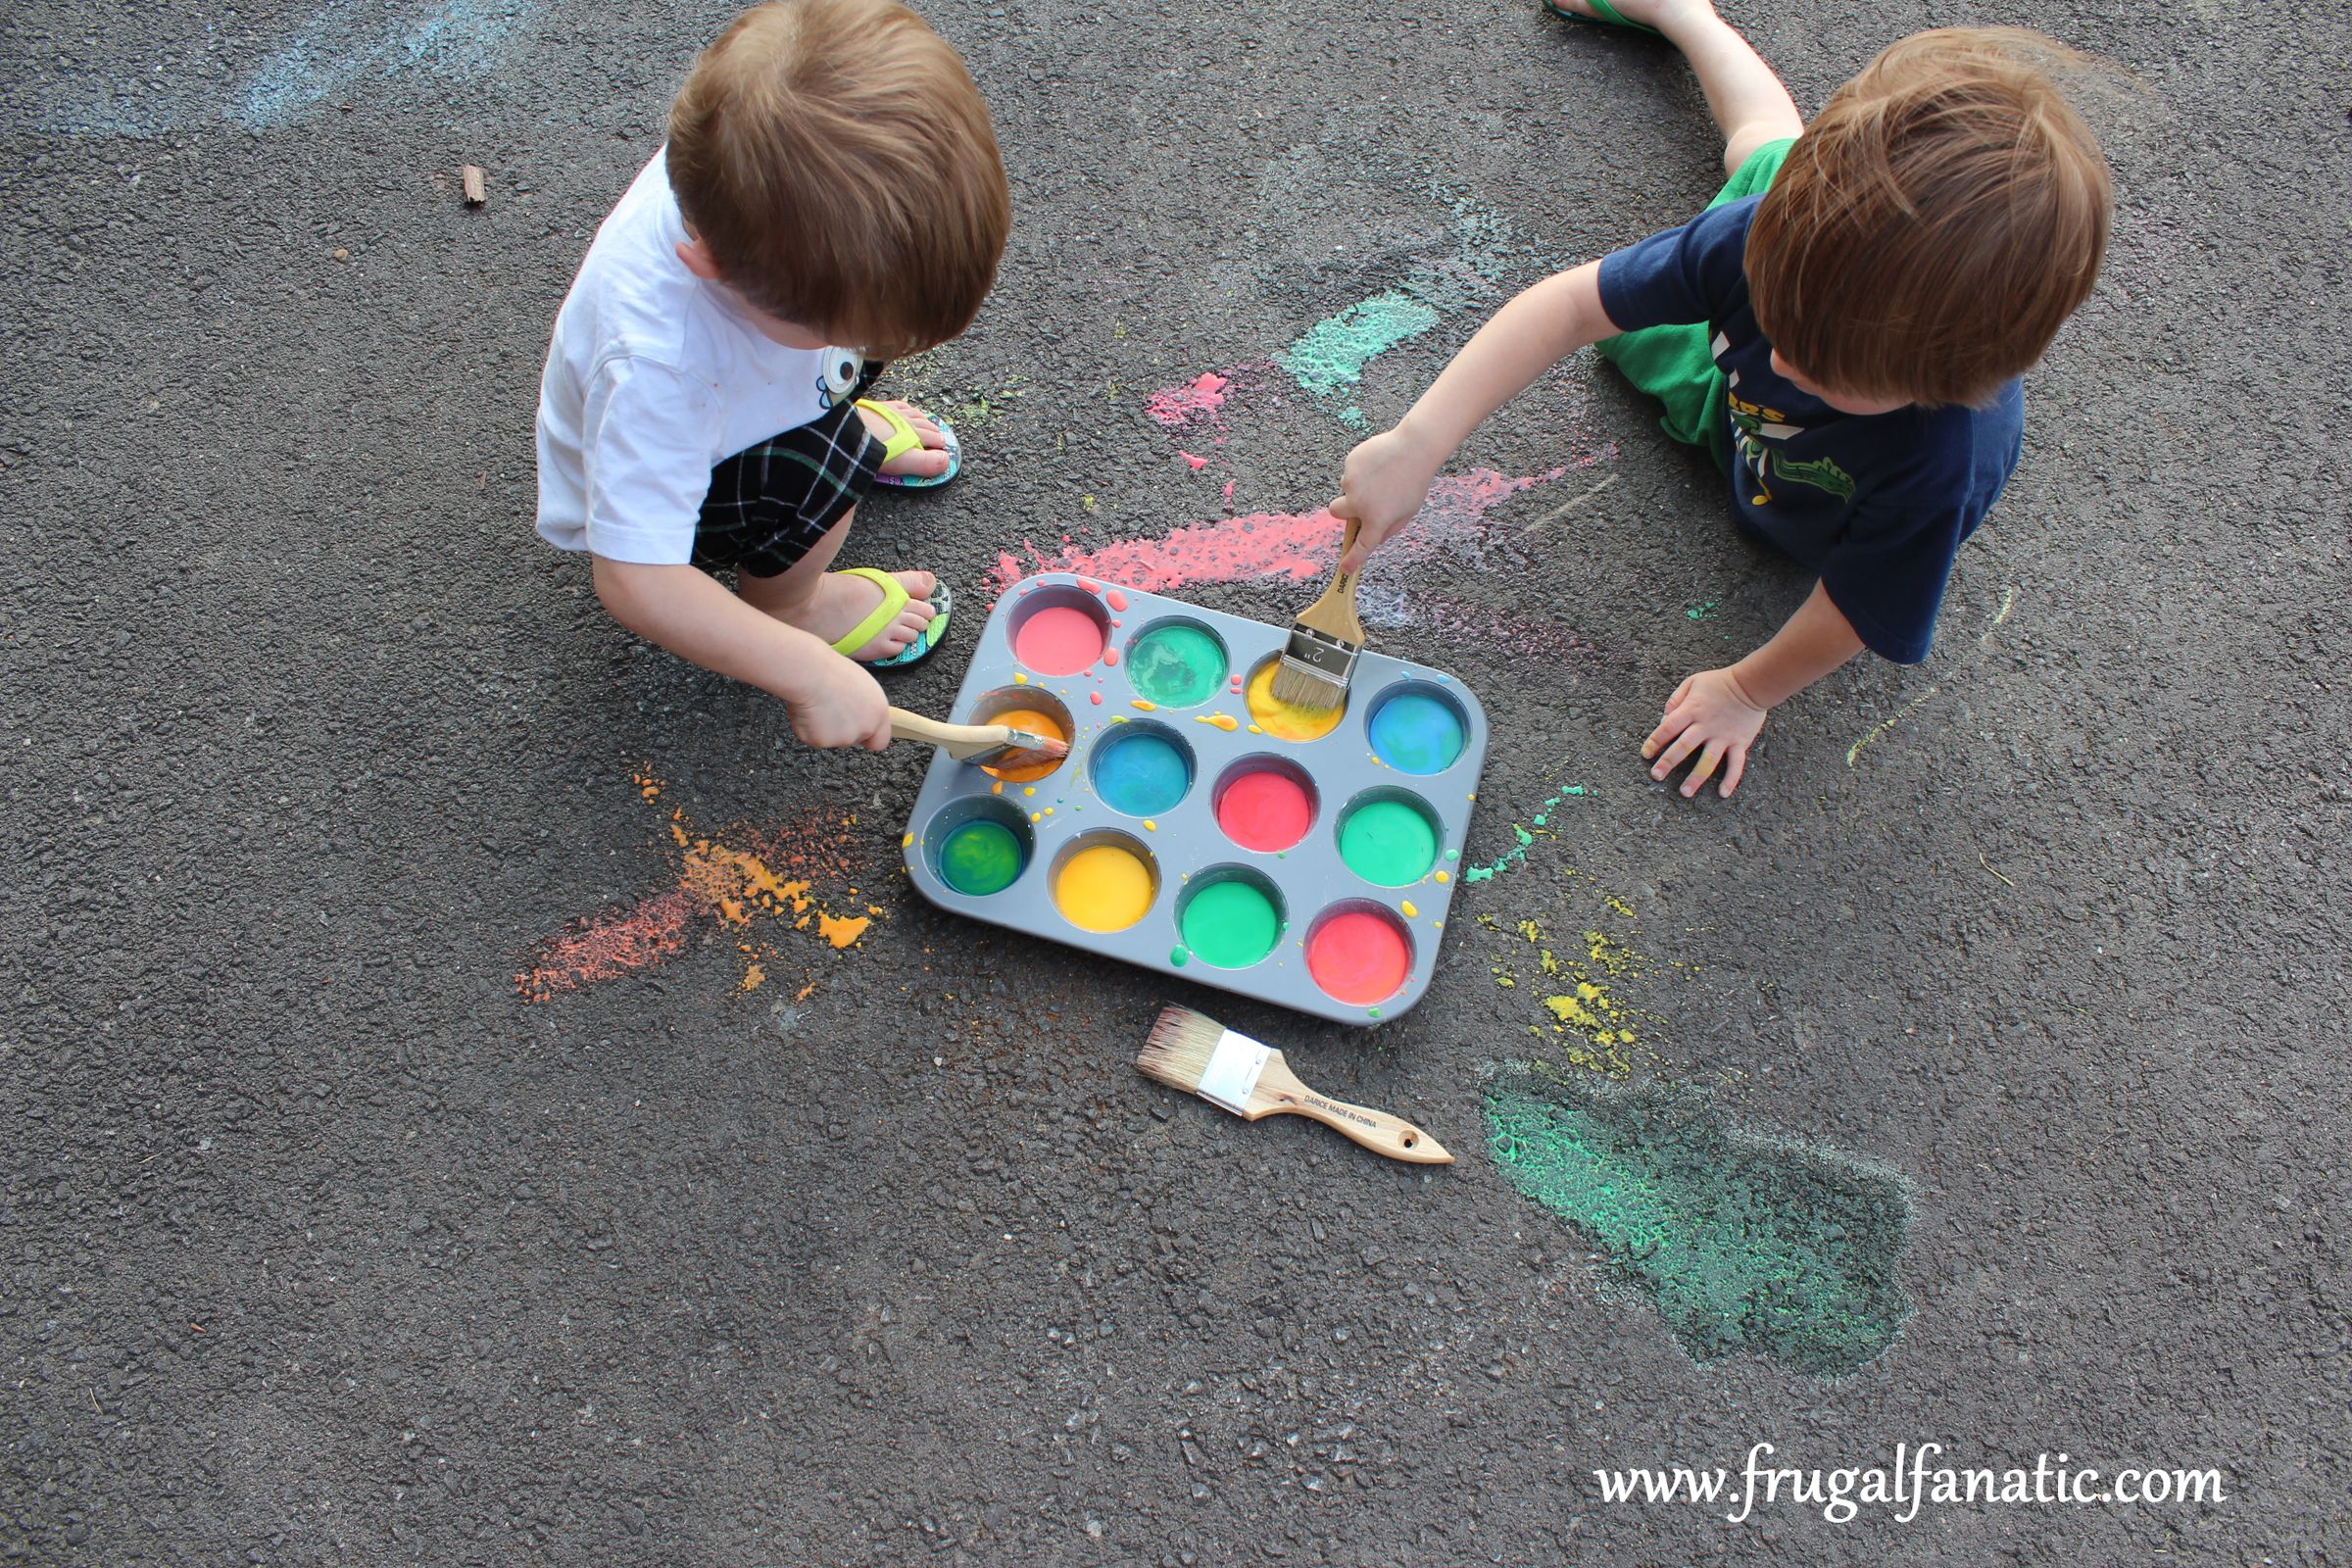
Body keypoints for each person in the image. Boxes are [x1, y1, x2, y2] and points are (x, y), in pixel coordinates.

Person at [1331, 4, 2111, 797]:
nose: (1780, 360)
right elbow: (1567, 307)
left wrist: (1746, 690)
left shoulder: (1941, 465)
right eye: (1778, 321)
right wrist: (1417, 444)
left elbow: (1854, 608)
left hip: (1792, 469)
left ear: (1942, 388)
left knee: (1758, 193)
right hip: (1734, 381)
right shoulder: (1758, 239)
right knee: (1763, 150)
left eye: (1827, 370)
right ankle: (1685, 16)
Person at [534, 0, 1010, 750]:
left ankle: (822, 400)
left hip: (736, 394)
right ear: (711, 268)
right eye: (840, 332)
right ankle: (790, 608)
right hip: (686, 486)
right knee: (821, 465)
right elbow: (634, 576)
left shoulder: (743, 178)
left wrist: (833, 343)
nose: (867, 347)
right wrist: (802, 670)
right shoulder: (661, 369)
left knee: (838, 365)